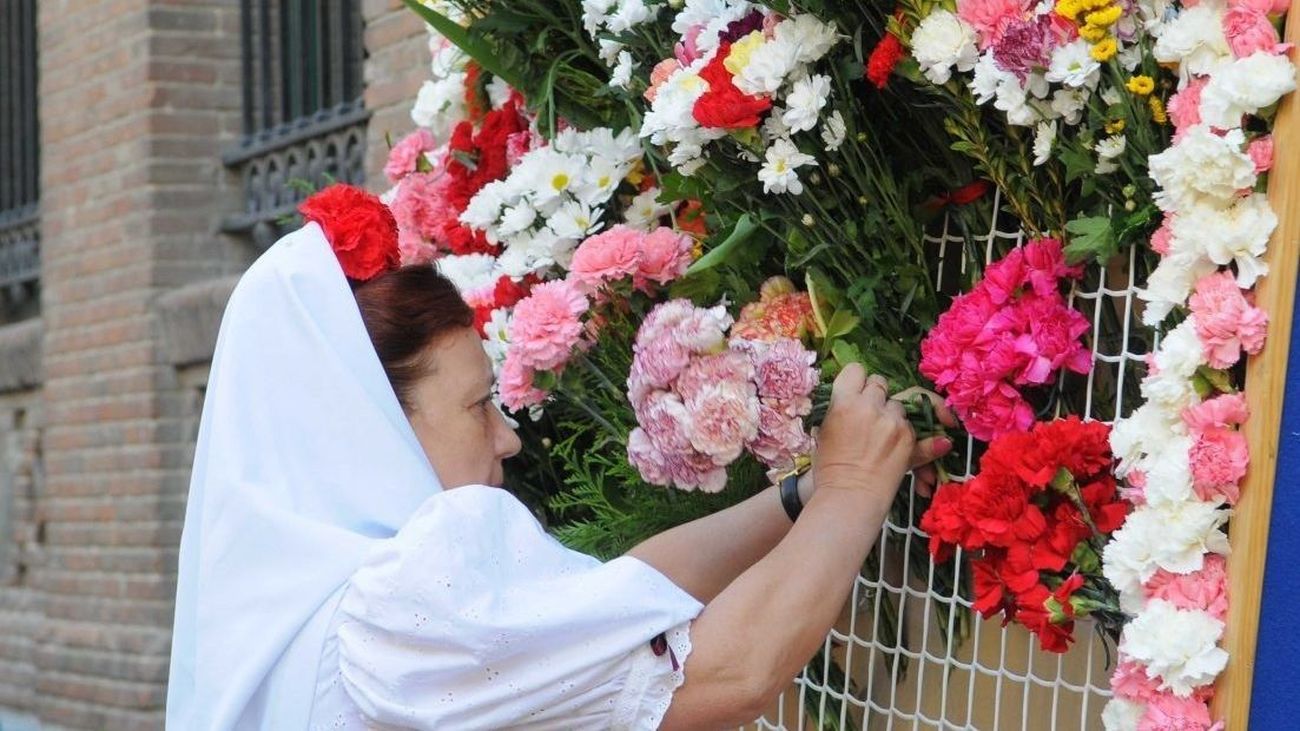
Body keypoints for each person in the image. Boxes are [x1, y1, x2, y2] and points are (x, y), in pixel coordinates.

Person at [166, 187, 953, 730]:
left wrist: (804, 493)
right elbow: (725, 674)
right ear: (369, 429)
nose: (507, 437)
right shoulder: (400, 596)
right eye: (478, 406)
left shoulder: (308, 608)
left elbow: (616, 597)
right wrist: (852, 488)